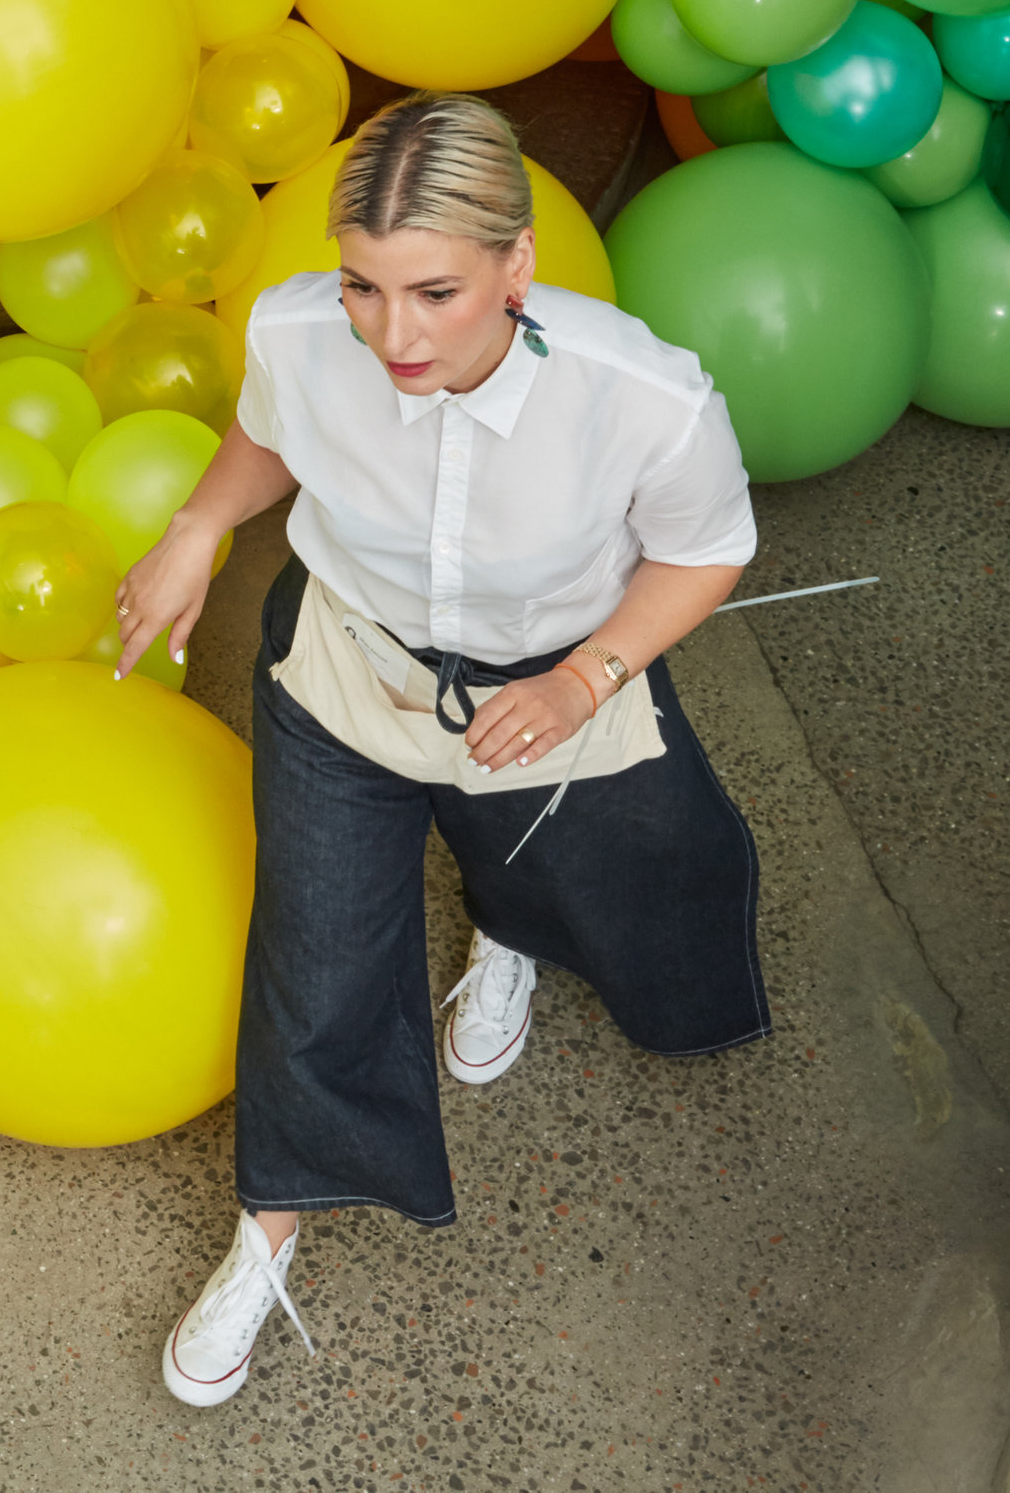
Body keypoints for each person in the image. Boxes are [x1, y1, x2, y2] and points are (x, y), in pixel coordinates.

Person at [114, 92, 768, 1408]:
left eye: (435, 292)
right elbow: (270, 435)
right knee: (317, 948)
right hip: (350, 671)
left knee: (615, 858)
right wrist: (199, 525)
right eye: (364, 287)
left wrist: (589, 680)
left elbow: (710, 550)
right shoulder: (303, 333)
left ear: (516, 266)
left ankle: (512, 934)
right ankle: (270, 1234)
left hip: (550, 684)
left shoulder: (643, 398)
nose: (392, 334)